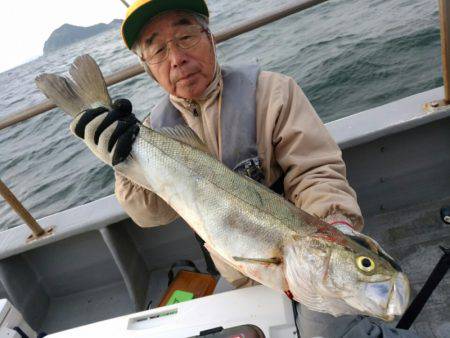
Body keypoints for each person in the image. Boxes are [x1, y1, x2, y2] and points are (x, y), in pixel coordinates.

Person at [70, 0, 419, 337]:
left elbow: (316, 171)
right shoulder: (148, 132)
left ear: (210, 37)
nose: (176, 58)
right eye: (158, 50)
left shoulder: (272, 92)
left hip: (302, 261)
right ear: (148, 68)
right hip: (236, 270)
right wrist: (121, 162)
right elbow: (151, 214)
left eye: (185, 36)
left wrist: (334, 226)